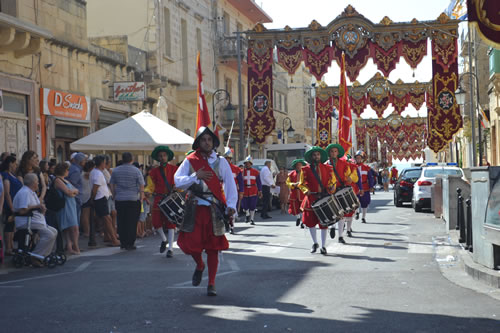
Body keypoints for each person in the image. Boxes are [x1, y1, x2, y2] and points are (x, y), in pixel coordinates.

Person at [174, 126, 237, 296]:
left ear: (213, 142)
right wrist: (196, 176)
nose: (207, 142)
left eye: (209, 139)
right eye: (203, 139)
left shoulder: (221, 162)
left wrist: (231, 205)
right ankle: (200, 265)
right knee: (190, 245)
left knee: (213, 248)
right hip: (194, 207)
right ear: (199, 142)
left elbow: (230, 185)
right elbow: (178, 181)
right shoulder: (190, 160)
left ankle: (211, 283)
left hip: (213, 208)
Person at [13, 173, 58, 267]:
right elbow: (22, 210)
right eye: (37, 181)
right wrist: (37, 206)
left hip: (35, 221)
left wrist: (41, 208)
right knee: (49, 234)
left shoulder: (31, 192)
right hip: (26, 221)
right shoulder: (24, 193)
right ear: (33, 183)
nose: (38, 183)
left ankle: (43, 255)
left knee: (54, 231)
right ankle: (36, 256)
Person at [298, 146, 336, 255]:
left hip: (323, 198)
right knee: (310, 223)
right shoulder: (305, 169)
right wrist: (306, 190)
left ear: (320, 156)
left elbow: (332, 180)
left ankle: (323, 246)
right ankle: (315, 243)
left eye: (318, 155)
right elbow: (302, 183)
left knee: (324, 223)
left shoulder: (328, 168)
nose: (316, 156)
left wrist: (332, 186)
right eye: (314, 155)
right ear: (311, 157)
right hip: (311, 199)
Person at [145, 145, 179, 257]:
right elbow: (150, 186)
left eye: (164, 155)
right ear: (158, 158)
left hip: (170, 198)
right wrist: (147, 191)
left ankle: (170, 249)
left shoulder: (175, 169)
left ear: (168, 156)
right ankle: (164, 240)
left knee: (171, 224)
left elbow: (180, 182)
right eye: (160, 156)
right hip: (159, 198)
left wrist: (177, 187)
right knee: (156, 222)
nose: (162, 157)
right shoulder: (153, 172)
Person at [110, 152, 145, 250]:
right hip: (133, 199)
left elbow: (112, 184)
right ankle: (130, 242)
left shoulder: (116, 170)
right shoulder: (136, 171)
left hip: (120, 199)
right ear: (131, 160)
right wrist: (141, 197)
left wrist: (114, 194)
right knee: (132, 222)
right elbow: (141, 185)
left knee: (121, 221)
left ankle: (123, 242)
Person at [325, 143, 358, 244]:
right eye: (332, 151)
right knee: (332, 212)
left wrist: (349, 179)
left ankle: (340, 236)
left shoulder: (344, 163)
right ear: (329, 153)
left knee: (342, 213)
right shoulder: (326, 164)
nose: (334, 153)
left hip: (340, 190)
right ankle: (332, 227)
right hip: (330, 190)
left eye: (335, 151)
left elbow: (348, 175)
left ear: (338, 153)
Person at [90, 155, 119, 246]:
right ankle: (114, 240)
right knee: (107, 219)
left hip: (101, 197)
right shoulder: (98, 173)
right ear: (102, 163)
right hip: (100, 198)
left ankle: (109, 237)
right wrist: (92, 198)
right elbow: (95, 188)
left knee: (108, 219)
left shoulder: (96, 172)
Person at [53, 163, 80, 254]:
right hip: (65, 206)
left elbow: (76, 190)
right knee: (73, 227)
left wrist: (74, 192)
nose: (68, 171)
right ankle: (75, 246)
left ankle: (70, 246)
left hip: (71, 204)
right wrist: (73, 192)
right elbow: (68, 192)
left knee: (71, 227)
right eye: (67, 170)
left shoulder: (65, 180)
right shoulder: (58, 180)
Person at [1, 155, 23, 256]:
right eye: (14, 163)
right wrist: (11, 207)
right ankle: (8, 247)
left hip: (15, 203)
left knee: (12, 226)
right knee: (9, 226)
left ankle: (11, 246)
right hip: (9, 204)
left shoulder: (12, 174)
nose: (16, 165)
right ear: (10, 163)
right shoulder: (5, 175)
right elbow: (7, 193)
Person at [222, 147, 244, 233]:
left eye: (228, 158)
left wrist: (241, 192)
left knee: (232, 208)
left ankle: (232, 226)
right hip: (222, 191)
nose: (227, 160)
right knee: (222, 208)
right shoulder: (220, 168)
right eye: (225, 158)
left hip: (232, 191)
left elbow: (241, 182)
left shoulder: (236, 169)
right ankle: (225, 224)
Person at [355, 151, 375, 223]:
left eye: (359, 158)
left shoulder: (367, 168)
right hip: (356, 187)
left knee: (365, 203)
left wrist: (371, 186)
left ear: (362, 159)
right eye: (357, 158)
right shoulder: (353, 167)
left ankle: (363, 217)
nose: (358, 159)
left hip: (365, 187)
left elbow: (370, 178)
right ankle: (357, 212)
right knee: (355, 201)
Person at [241, 156, 262, 225]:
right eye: (246, 163)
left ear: (251, 164)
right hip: (245, 190)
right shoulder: (242, 172)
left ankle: (252, 219)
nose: (247, 165)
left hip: (253, 190)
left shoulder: (256, 172)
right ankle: (247, 214)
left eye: (248, 163)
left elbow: (259, 182)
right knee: (244, 205)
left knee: (252, 205)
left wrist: (260, 190)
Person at [67, 153, 87, 225]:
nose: (85, 162)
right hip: (75, 198)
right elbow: (72, 184)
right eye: (84, 161)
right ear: (80, 161)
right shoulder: (76, 170)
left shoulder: (73, 168)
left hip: (75, 197)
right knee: (75, 219)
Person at [287, 159, 307, 227]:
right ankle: (298, 218)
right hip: (294, 193)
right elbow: (288, 182)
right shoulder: (291, 174)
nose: (299, 166)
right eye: (297, 165)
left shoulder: (305, 173)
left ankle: (303, 222)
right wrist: (293, 184)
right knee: (295, 208)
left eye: (300, 165)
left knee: (303, 208)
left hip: (302, 193)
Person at [80, 160, 95, 238]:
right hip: (86, 195)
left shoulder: (83, 174)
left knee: (86, 214)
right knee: (85, 214)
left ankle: (87, 231)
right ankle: (87, 231)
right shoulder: (86, 174)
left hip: (85, 195)